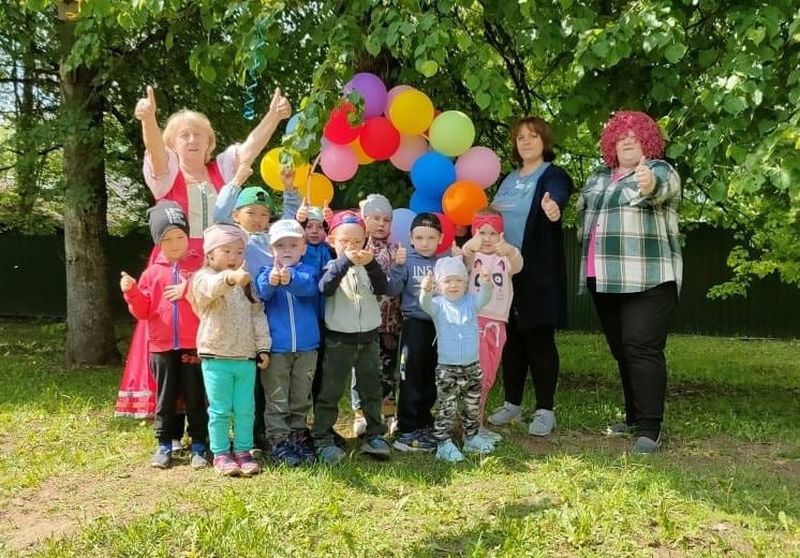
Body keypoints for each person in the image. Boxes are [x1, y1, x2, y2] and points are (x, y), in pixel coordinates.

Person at [116, 85, 291, 421]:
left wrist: (273, 116)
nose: (192, 139)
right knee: (177, 343)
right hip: (175, 263)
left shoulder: (220, 171)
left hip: (218, 261)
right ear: (172, 143)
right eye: (184, 135)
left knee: (216, 338)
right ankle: (179, 419)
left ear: (209, 142)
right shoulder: (164, 174)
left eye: (198, 134)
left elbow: (249, 151)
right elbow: (153, 151)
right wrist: (148, 119)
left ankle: (214, 415)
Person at [577, 110, 681, 454]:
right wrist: (552, 211)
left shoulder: (659, 170)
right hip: (602, 275)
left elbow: (662, 189)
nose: (627, 143)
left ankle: (650, 429)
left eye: (635, 138)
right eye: (621, 138)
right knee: (623, 349)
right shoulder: (597, 177)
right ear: (611, 144)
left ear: (647, 143)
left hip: (648, 277)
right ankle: (635, 417)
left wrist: (650, 185)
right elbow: (581, 215)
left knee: (641, 346)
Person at [487, 116, 574, 437]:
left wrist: (554, 207)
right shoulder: (508, 179)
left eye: (533, 136)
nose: (526, 142)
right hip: (503, 274)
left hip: (536, 273)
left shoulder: (553, 175)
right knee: (510, 339)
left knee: (538, 339)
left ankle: (545, 410)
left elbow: (559, 192)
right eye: (521, 137)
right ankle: (511, 404)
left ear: (544, 142)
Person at [213, 166, 300, 452]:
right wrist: (236, 183)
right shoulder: (236, 238)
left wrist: (289, 189)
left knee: (267, 371)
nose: (260, 219)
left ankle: (263, 432)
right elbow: (219, 214)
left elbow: (290, 224)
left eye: (264, 213)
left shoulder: (273, 236)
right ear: (237, 215)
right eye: (252, 212)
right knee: (244, 376)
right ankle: (238, 435)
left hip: (271, 310)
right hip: (241, 312)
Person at [119, 202, 209, 469]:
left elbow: (209, 298)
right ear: (158, 241)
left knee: (196, 396)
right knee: (165, 397)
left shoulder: (199, 267)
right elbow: (143, 311)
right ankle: (164, 443)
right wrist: (132, 292)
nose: (174, 244)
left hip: (194, 345)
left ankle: (200, 445)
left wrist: (189, 287)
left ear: (187, 235)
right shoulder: (151, 274)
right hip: (160, 347)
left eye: (179, 236)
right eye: (166, 238)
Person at [189, 223, 272, 476]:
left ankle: (244, 450)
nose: (234, 258)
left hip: (245, 358)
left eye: (239, 252)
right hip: (216, 357)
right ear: (210, 254)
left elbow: (258, 315)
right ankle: (221, 453)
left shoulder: (246, 283)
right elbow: (209, 291)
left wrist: (263, 348)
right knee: (220, 409)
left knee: (246, 409)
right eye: (226, 251)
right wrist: (229, 278)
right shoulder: (203, 278)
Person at [313, 211, 392, 465]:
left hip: (368, 337)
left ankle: (375, 434)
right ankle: (323, 438)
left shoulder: (369, 265)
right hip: (338, 339)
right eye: (345, 242)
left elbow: (383, 288)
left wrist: (370, 263)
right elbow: (325, 287)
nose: (351, 247)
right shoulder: (330, 266)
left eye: (357, 242)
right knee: (331, 390)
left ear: (365, 241)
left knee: (371, 387)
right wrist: (345, 261)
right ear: (332, 240)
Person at [255, 219, 321, 466]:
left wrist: (289, 278)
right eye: (280, 245)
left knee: (301, 396)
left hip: (306, 348)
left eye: (293, 244)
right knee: (277, 396)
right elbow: (261, 293)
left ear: (303, 247)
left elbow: (309, 288)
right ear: (271, 250)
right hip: (277, 349)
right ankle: (278, 440)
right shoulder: (265, 272)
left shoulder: (308, 270)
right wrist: (272, 281)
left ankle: (298, 435)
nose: (286, 250)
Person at [419, 256, 495, 462]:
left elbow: (485, 297)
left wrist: (486, 282)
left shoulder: (472, 302)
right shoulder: (437, 305)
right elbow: (424, 304)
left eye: (458, 280)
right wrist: (425, 290)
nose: (453, 285)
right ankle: (443, 443)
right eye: (447, 281)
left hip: (472, 365)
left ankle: (471, 437)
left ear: (466, 282)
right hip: (447, 369)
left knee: (472, 404)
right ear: (439, 284)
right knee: (447, 406)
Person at [461, 208, 523, 444]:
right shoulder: (471, 256)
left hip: (498, 325)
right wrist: (470, 244)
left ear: (501, 234)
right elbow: (464, 257)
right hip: (475, 323)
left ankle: (476, 424)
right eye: (481, 232)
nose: (486, 238)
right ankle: (471, 429)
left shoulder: (503, 258)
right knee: (477, 375)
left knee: (488, 376)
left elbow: (518, 265)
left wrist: (509, 250)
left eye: (492, 233)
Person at [387, 213, 447, 452]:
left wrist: (461, 260)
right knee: (410, 375)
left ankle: (424, 421)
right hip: (414, 325)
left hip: (438, 327)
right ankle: (406, 429)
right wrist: (398, 266)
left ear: (440, 238)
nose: (425, 242)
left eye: (431, 237)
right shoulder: (407, 260)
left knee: (431, 375)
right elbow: (391, 288)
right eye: (419, 237)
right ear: (411, 239)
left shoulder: (443, 261)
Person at [351, 194, 402, 437]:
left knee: (388, 369)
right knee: (360, 369)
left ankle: (388, 414)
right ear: (365, 219)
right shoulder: (358, 248)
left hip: (390, 324)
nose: (381, 224)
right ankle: (360, 414)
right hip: (362, 322)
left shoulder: (396, 250)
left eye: (386, 220)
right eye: (375, 218)